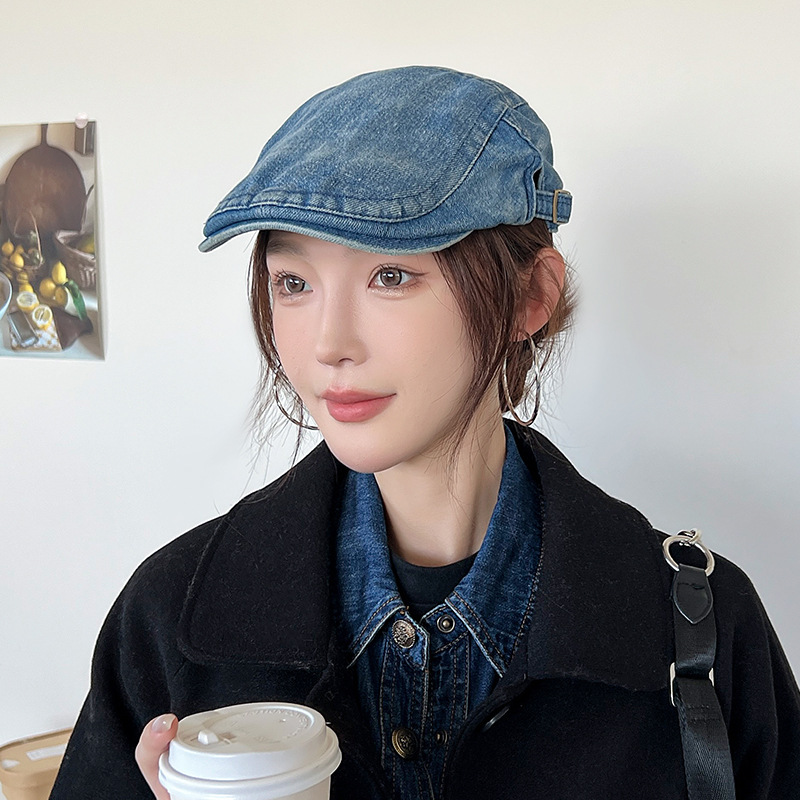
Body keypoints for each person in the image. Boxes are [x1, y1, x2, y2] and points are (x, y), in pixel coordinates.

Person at [50, 66, 800, 800]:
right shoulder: (169, 619)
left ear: (530, 296)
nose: (328, 343)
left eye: (391, 276)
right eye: (294, 283)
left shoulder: (698, 629)